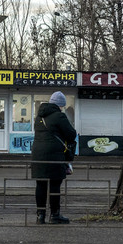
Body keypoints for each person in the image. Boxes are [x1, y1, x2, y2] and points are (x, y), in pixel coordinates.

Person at [31, 90, 77, 225]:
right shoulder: (59, 116)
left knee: (40, 184)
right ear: (60, 105)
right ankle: (55, 215)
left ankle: (40, 216)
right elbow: (71, 134)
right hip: (54, 155)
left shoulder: (39, 117)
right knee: (55, 184)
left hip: (38, 155)